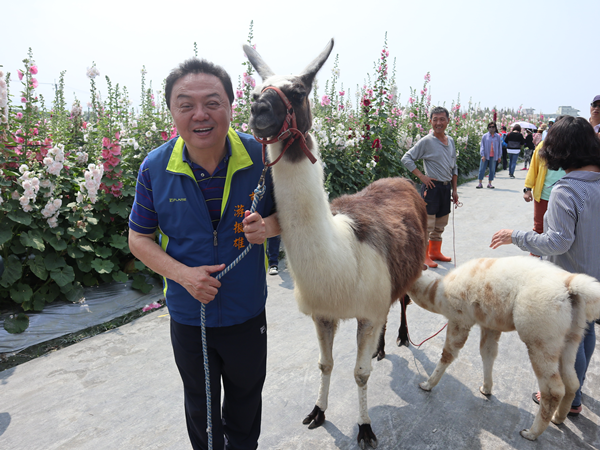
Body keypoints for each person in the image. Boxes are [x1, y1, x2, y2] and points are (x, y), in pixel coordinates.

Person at [128, 58, 279, 450]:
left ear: (231, 107)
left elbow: (293, 217)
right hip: (187, 313)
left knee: (246, 401)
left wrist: (268, 228)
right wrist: (184, 276)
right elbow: (138, 238)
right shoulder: (155, 168)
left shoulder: (262, 157)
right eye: (186, 104)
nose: (200, 114)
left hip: (246, 311)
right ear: (172, 112)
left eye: (213, 102)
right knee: (201, 406)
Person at [491, 116, 600, 418]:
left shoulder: (567, 191)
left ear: (561, 149)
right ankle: (577, 389)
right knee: (586, 332)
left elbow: (558, 242)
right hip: (594, 279)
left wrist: (517, 236)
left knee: (568, 342)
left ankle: (570, 396)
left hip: (569, 279)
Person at [401, 106, 459, 268]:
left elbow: (454, 167)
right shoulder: (427, 141)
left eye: (442, 119)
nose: (438, 123)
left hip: (446, 189)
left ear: (448, 121)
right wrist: (422, 176)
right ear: (430, 121)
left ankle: (435, 252)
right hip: (432, 188)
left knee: (441, 223)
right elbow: (406, 158)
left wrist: (454, 190)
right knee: (427, 224)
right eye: (435, 119)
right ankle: (423, 256)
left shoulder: (451, 141)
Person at [476, 121, 502, 189]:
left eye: (493, 127)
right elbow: (482, 146)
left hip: (494, 156)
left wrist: (499, 156)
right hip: (485, 155)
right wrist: (482, 155)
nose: (491, 128)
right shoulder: (485, 136)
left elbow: (500, 147)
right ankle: (480, 183)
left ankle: (490, 183)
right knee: (482, 169)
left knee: (492, 170)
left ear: (495, 128)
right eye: (490, 127)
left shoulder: (498, 136)